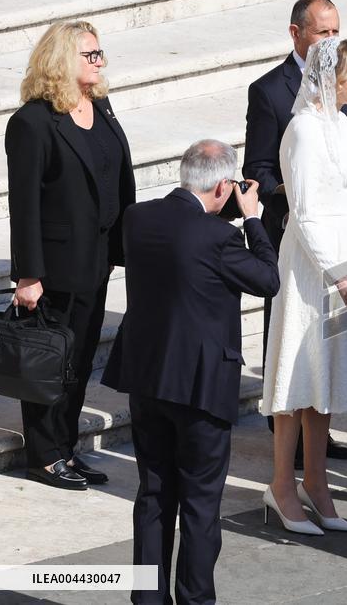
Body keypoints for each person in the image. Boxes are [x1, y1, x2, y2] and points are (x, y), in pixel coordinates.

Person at [102, 140, 279, 604]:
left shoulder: (137, 218)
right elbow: (267, 278)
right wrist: (254, 217)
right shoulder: (220, 238)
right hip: (200, 387)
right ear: (225, 185)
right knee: (200, 505)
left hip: (146, 378)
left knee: (154, 493)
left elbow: (181, 246)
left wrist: (221, 215)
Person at [5, 20, 136, 490]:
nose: (100, 61)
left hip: (97, 257)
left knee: (79, 360)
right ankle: (43, 456)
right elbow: (24, 205)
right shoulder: (32, 122)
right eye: (90, 55)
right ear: (62, 60)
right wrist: (28, 275)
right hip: (55, 265)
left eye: (100, 53)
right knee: (49, 361)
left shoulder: (100, 106)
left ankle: (65, 449)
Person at [260, 37, 347, 535]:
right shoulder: (304, 129)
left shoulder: (341, 123)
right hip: (311, 268)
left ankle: (316, 481)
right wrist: (344, 280)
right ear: (331, 78)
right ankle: (281, 486)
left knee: (323, 379)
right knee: (297, 377)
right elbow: (305, 214)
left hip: (344, 257)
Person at [244, 0, 347, 464]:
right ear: (297, 34)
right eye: (322, 33)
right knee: (291, 336)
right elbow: (258, 167)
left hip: (335, 236)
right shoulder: (269, 91)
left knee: (324, 341)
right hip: (291, 230)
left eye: (336, 31)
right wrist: (297, 196)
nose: (331, 41)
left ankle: (317, 435)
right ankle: (284, 434)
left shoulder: (344, 86)